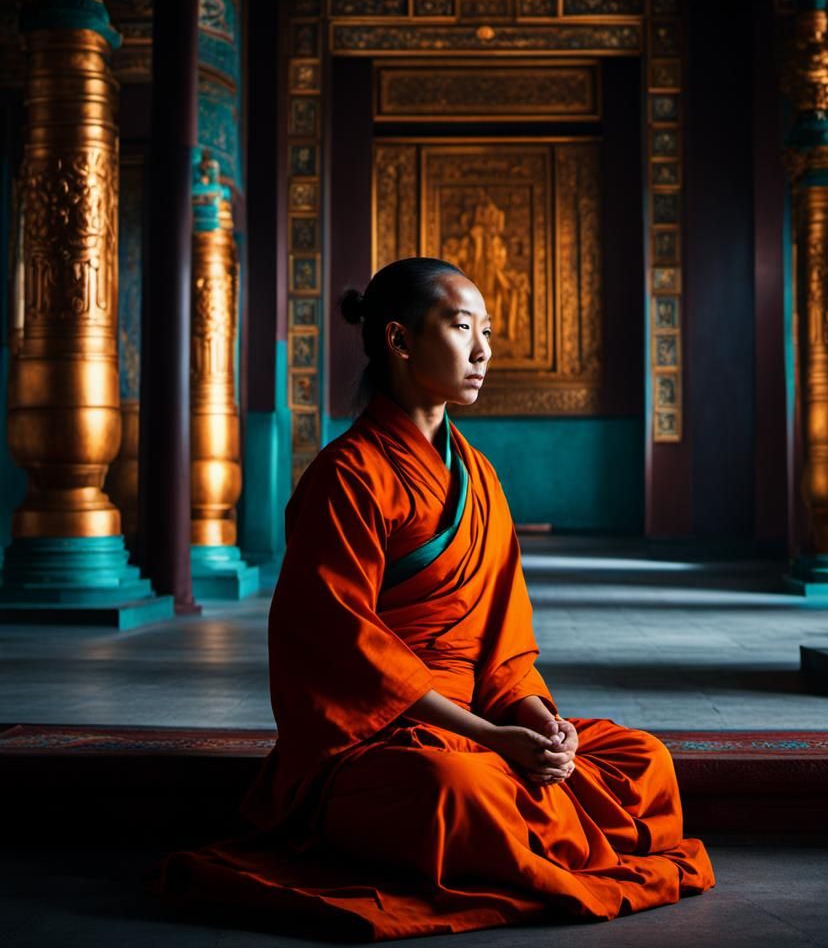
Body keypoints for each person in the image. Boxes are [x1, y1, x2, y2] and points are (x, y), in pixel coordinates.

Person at [158, 257, 715, 941]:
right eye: (461, 327)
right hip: (381, 744)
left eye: (486, 331)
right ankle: (529, 839)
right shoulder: (348, 475)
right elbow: (341, 646)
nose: (483, 351)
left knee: (643, 760)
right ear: (398, 340)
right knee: (455, 788)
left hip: (488, 726)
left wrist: (540, 726)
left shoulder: (479, 477)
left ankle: (523, 836)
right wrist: (488, 740)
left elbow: (505, 643)